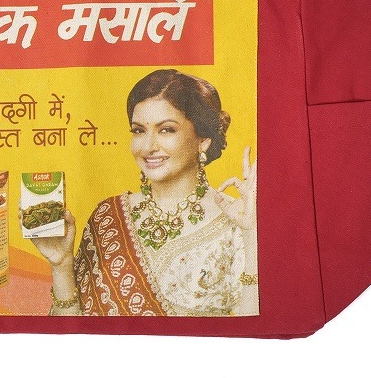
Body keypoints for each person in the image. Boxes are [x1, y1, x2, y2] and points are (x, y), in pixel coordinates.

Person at [30, 69, 258, 317]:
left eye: (166, 130)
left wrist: (251, 236)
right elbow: (72, 333)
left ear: (202, 140)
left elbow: (251, 331)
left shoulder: (236, 222)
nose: (148, 147)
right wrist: (61, 266)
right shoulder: (107, 216)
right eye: (139, 130)